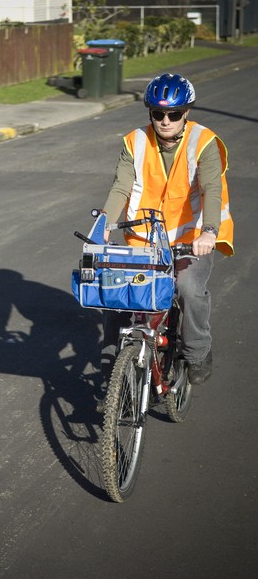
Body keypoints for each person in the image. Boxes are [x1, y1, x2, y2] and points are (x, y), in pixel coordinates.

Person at [100, 73, 234, 396]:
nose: (165, 121)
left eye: (173, 114)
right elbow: (121, 186)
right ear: (150, 113)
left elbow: (211, 188)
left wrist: (210, 232)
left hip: (192, 239)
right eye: (158, 114)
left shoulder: (203, 142)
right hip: (146, 240)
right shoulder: (135, 142)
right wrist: (104, 224)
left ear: (185, 113)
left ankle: (198, 352)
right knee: (116, 288)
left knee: (188, 288)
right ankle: (114, 365)